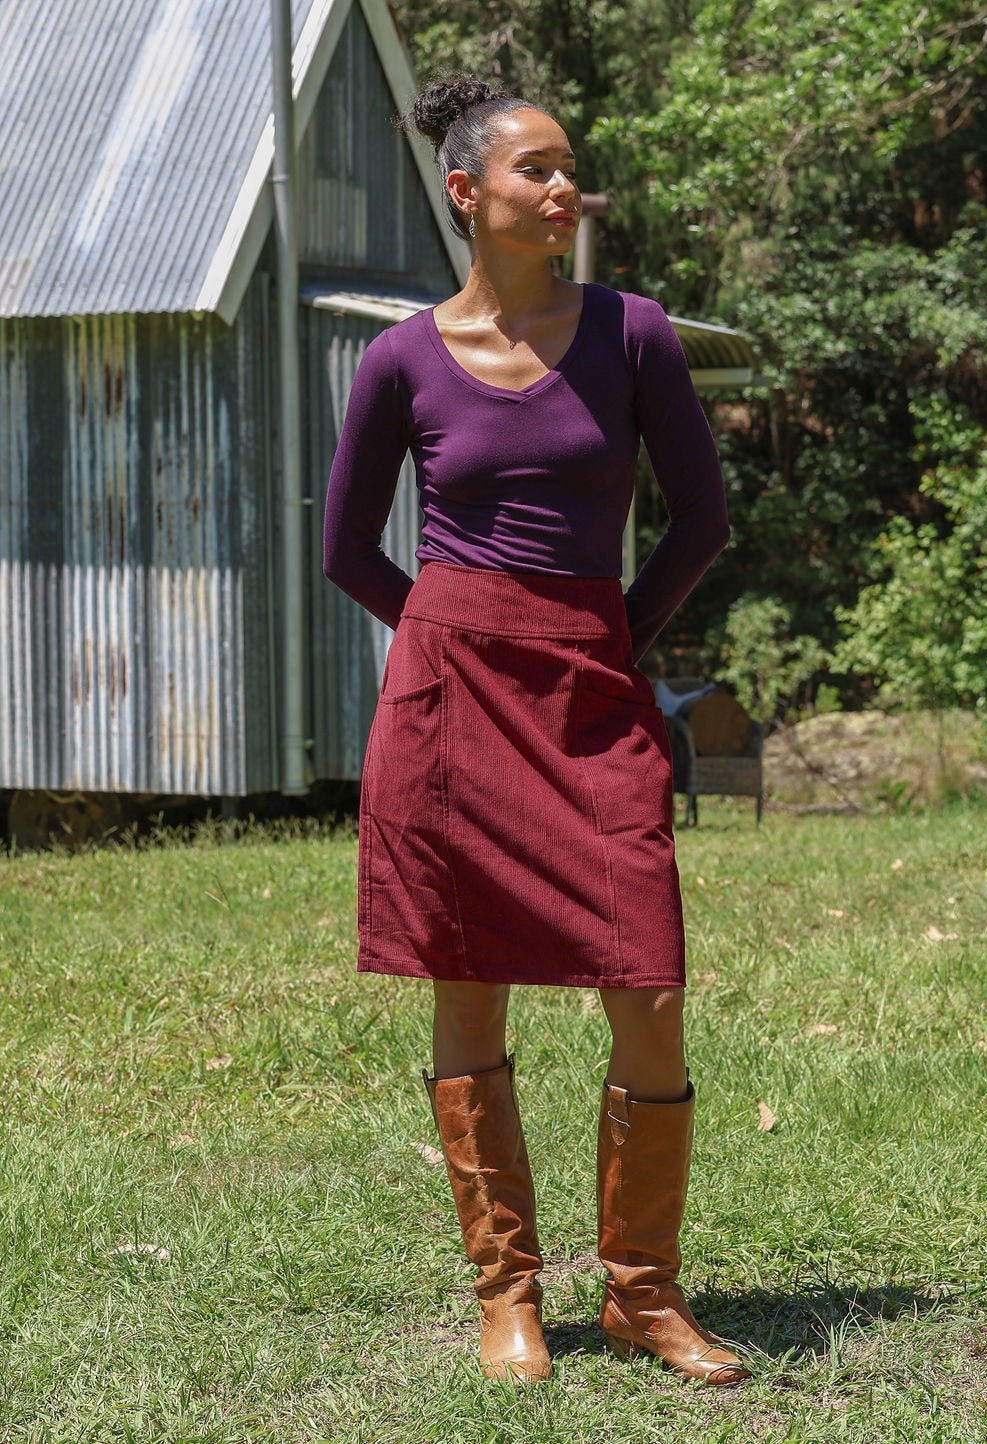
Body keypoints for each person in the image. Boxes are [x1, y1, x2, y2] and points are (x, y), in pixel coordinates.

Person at [322, 75, 749, 1387]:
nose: (565, 191)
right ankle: (509, 1298)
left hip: (587, 691)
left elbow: (701, 520)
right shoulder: (400, 359)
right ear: (468, 193)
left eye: (572, 171)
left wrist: (611, 633)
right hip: (453, 707)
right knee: (469, 982)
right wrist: (449, 639)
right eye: (536, 171)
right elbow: (346, 549)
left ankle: (641, 1296)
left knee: (653, 982)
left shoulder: (634, 335)